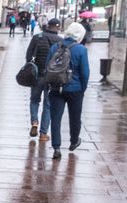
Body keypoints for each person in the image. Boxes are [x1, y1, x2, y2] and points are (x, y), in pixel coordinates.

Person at [47, 22, 89, 160]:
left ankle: (56, 147)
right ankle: (73, 141)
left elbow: (48, 67)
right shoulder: (81, 49)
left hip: (56, 88)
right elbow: (85, 73)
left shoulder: (55, 47)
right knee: (75, 117)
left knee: (56, 119)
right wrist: (82, 88)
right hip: (74, 89)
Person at [27, 18, 63, 141]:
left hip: (37, 75)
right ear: (58, 27)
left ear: (48, 26)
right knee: (48, 105)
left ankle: (34, 122)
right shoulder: (60, 41)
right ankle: (43, 134)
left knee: (34, 100)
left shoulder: (37, 37)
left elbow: (28, 56)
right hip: (51, 77)